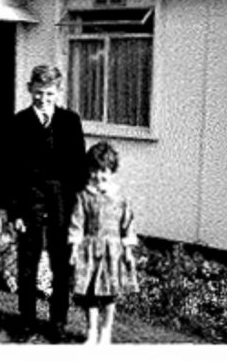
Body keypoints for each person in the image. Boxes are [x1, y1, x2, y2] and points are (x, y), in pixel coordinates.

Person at [7, 65, 86, 343]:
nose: (43, 99)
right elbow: (11, 172)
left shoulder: (70, 121)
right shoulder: (18, 123)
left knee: (61, 265)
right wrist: (14, 211)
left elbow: (80, 171)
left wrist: (78, 212)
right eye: (38, 93)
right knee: (27, 263)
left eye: (49, 93)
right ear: (29, 89)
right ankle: (26, 322)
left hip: (62, 203)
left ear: (58, 92)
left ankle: (58, 323)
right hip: (29, 202)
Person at [68, 141, 139, 344]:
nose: (98, 176)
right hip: (89, 251)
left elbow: (127, 224)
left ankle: (105, 332)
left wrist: (128, 250)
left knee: (109, 294)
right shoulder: (83, 196)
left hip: (113, 252)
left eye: (103, 171)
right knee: (90, 294)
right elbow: (77, 223)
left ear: (112, 171)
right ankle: (91, 332)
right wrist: (74, 248)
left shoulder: (120, 198)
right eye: (94, 170)